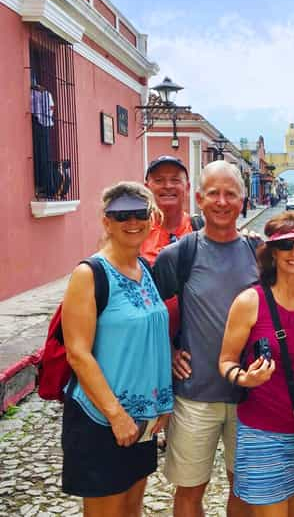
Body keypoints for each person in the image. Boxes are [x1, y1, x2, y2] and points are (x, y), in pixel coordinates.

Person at [61, 182, 173, 516]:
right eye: (121, 215)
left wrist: (161, 404)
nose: (132, 222)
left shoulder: (146, 270)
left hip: (141, 421)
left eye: (139, 213)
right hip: (101, 418)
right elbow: (78, 352)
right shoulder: (90, 274)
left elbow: (153, 340)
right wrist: (116, 415)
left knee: (132, 508)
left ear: (151, 219)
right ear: (106, 221)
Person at [153, 161, 254, 517]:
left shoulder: (260, 254)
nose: (222, 201)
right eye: (214, 193)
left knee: (243, 489)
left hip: (249, 399)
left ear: (243, 200)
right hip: (195, 395)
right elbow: (147, 316)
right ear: (199, 198)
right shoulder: (178, 255)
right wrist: (168, 352)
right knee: (189, 490)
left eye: (230, 194)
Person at [219, 211, 294, 516]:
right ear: (273, 253)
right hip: (263, 433)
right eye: (286, 246)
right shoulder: (251, 301)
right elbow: (225, 361)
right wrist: (244, 378)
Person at [141, 155, 203, 265]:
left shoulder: (200, 229)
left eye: (175, 180)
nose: (168, 186)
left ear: (187, 187)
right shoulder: (136, 232)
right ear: (147, 188)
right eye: (159, 180)